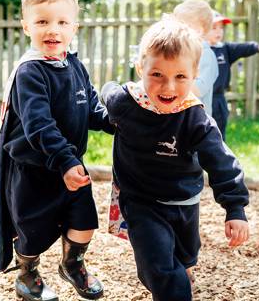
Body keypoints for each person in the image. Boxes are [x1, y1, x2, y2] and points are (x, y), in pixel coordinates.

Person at [101, 18, 250, 301]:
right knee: (159, 268)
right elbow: (108, 92)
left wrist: (235, 209)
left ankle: (180, 275)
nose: (168, 86)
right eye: (156, 74)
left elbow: (222, 163)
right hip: (140, 200)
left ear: (194, 75)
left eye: (180, 77)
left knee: (184, 258)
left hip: (184, 202)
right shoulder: (126, 102)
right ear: (140, 69)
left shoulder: (195, 119)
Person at [0, 0, 114, 300]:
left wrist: (117, 122)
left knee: (85, 222)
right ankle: (26, 275)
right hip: (35, 169)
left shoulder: (73, 64)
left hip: (71, 166)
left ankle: (72, 264)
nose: (53, 30)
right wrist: (65, 160)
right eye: (42, 21)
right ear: (26, 26)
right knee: (32, 233)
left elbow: (91, 105)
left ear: (74, 26)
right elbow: (39, 125)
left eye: (62, 21)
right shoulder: (30, 72)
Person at [206, 10, 259, 140]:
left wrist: (258, 47)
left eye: (221, 28)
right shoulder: (197, 50)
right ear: (203, 29)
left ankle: (219, 158)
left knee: (218, 135)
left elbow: (242, 48)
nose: (219, 31)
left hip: (218, 99)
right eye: (214, 28)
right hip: (202, 99)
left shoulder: (224, 49)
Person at [173, 0, 218, 116]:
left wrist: (172, 80)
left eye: (184, 26)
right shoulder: (179, 52)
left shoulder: (206, 55)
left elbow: (199, 89)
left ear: (200, 30)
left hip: (197, 121)